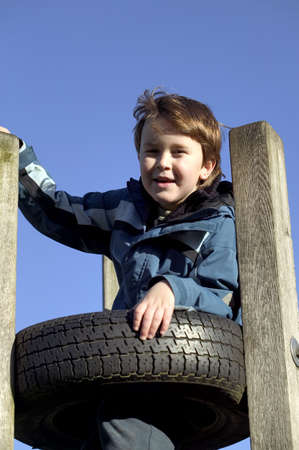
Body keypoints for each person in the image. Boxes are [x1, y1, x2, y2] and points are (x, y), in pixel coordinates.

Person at [0, 89, 241, 449]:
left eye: (178, 152)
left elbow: (223, 296)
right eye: (151, 151)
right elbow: (60, 211)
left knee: (124, 420)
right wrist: (16, 156)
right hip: (128, 366)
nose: (162, 163)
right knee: (96, 432)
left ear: (206, 166)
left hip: (185, 373)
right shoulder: (126, 209)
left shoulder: (219, 221)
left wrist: (173, 289)